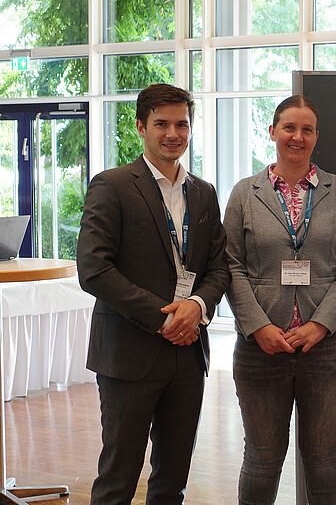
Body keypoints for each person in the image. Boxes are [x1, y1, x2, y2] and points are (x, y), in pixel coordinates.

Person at [76, 83, 231, 504]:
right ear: (141, 127)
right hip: (129, 354)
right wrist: (165, 318)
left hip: (187, 354)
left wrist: (196, 306)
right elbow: (94, 269)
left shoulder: (203, 192)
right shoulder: (112, 185)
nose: (173, 133)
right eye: (162, 124)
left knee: (172, 481)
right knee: (118, 479)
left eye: (182, 124)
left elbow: (219, 267)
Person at [224, 95, 336, 505]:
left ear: (316, 136)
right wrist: (258, 327)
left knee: (323, 458)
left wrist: (320, 324)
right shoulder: (245, 194)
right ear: (272, 132)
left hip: (327, 348)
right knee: (262, 459)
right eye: (289, 127)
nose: (297, 137)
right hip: (260, 349)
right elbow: (230, 265)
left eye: (306, 130)